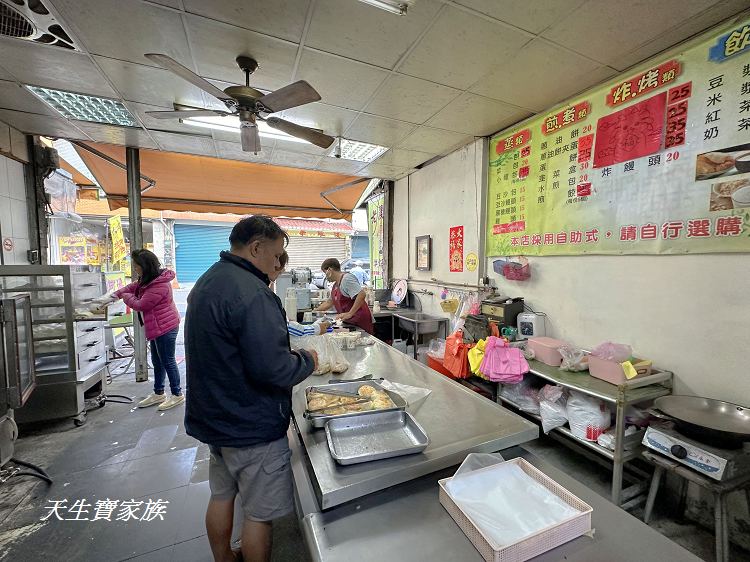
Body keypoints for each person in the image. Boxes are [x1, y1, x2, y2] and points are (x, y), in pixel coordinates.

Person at [184, 216, 318, 562]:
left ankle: (224, 558)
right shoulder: (253, 293)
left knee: (222, 495)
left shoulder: (207, 281)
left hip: (215, 418)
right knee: (259, 514)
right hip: (250, 423)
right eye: (276, 256)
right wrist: (307, 360)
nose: (277, 264)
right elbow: (271, 369)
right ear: (256, 248)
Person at [94, 249, 183, 410]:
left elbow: (141, 304)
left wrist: (125, 297)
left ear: (145, 266)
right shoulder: (149, 280)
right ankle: (159, 392)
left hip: (165, 327)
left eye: (136, 266)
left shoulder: (160, 285)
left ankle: (177, 394)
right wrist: (113, 296)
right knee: (157, 362)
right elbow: (131, 287)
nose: (135, 269)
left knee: (167, 361)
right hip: (157, 326)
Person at [270, 251, 332, 337]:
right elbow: (284, 327)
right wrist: (316, 328)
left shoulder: (262, 287)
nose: (282, 269)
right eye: (276, 257)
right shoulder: (260, 292)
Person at [315, 257, 373, 334]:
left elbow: (361, 294)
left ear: (329, 270)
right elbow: (329, 302)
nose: (325, 276)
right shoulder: (336, 284)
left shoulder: (346, 279)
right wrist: (314, 311)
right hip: (350, 322)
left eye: (325, 272)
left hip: (360, 320)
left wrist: (350, 313)